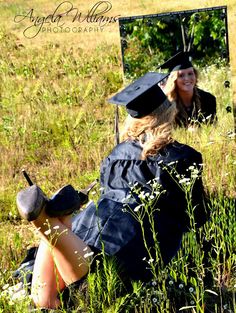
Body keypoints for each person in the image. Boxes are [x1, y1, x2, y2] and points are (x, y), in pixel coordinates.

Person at [16, 73, 209, 310]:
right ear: (168, 113)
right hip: (129, 241)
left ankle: (53, 221)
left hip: (87, 226)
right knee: (91, 285)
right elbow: (196, 216)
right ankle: (50, 224)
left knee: (47, 300)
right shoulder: (184, 157)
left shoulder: (116, 155)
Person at [162, 52, 217, 128]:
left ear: (195, 75)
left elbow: (213, 128)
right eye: (181, 75)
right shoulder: (166, 105)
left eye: (190, 73)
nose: (187, 79)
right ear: (174, 80)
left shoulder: (208, 99)